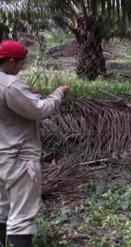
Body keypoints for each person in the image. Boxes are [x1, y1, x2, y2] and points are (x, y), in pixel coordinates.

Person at [0, 40, 69, 247]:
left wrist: (27, 93)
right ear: (11, 61)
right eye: (20, 63)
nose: (21, 67)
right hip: (18, 157)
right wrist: (58, 93)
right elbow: (39, 109)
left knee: (2, 208)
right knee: (22, 215)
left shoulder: (10, 85)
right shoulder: (11, 85)